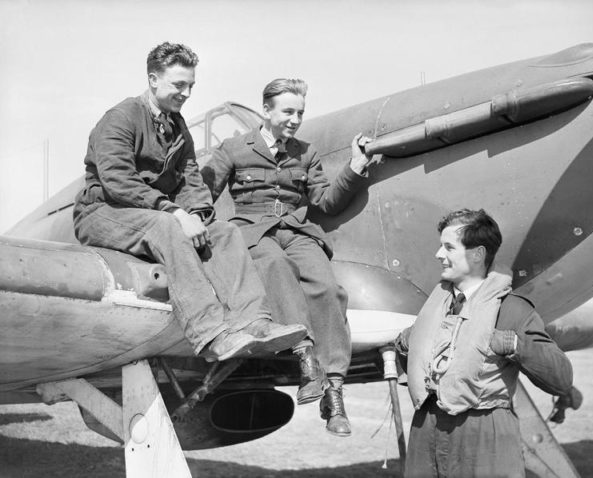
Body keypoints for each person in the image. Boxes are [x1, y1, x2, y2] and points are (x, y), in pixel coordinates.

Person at [73, 43, 307, 363]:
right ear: (153, 79)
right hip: (102, 211)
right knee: (168, 227)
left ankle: (255, 323)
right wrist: (175, 212)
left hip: (148, 211)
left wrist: (197, 216)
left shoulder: (178, 126)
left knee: (223, 232)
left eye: (191, 86)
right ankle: (211, 334)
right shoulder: (120, 117)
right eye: (178, 85)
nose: (186, 93)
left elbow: (191, 178)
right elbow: (117, 180)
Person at [201, 78, 373, 436]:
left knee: (328, 289)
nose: (295, 119)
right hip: (252, 231)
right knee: (275, 268)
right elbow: (203, 193)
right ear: (266, 110)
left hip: (298, 232)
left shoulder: (306, 153)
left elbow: (325, 202)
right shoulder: (234, 148)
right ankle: (305, 356)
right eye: (288, 111)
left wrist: (355, 168)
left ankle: (334, 393)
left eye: (300, 112)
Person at [395, 209, 573, 478]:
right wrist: (408, 344)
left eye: (448, 247)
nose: (438, 255)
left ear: (477, 254)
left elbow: (561, 377)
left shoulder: (511, 310)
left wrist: (516, 346)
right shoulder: (433, 308)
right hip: (426, 428)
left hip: (484, 432)